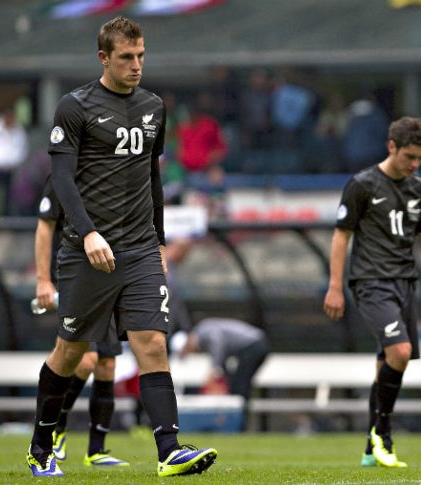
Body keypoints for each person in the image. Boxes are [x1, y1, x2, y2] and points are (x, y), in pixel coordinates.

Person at [25, 16, 217, 477]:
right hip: (87, 251)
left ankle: (170, 451)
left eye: (141, 56)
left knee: (152, 342)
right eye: (127, 57)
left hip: (139, 248)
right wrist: (89, 232)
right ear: (104, 58)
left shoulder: (153, 107)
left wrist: (159, 243)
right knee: (71, 352)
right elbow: (64, 181)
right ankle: (40, 443)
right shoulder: (75, 107)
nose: (136, 65)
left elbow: (152, 177)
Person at [323, 117, 421, 468]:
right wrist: (335, 287)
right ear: (391, 147)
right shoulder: (362, 185)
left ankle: (371, 448)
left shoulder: (420, 191)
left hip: (404, 284)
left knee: (387, 363)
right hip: (371, 282)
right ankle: (384, 433)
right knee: (400, 350)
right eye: (409, 156)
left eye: (420, 159)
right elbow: (341, 237)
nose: (414, 164)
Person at [34, 176, 129, 467]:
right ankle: (56, 429)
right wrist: (43, 280)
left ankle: (96, 450)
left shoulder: (114, 170)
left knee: (107, 364)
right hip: (75, 278)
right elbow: (45, 227)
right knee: (83, 360)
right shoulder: (63, 176)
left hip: (110, 277)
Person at [170, 318, 270, 430]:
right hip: (254, 345)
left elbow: (218, 343)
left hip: (254, 345)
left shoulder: (202, 332)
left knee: (240, 387)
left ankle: (240, 425)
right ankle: (238, 423)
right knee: (236, 385)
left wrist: (214, 370)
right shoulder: (202, 333)